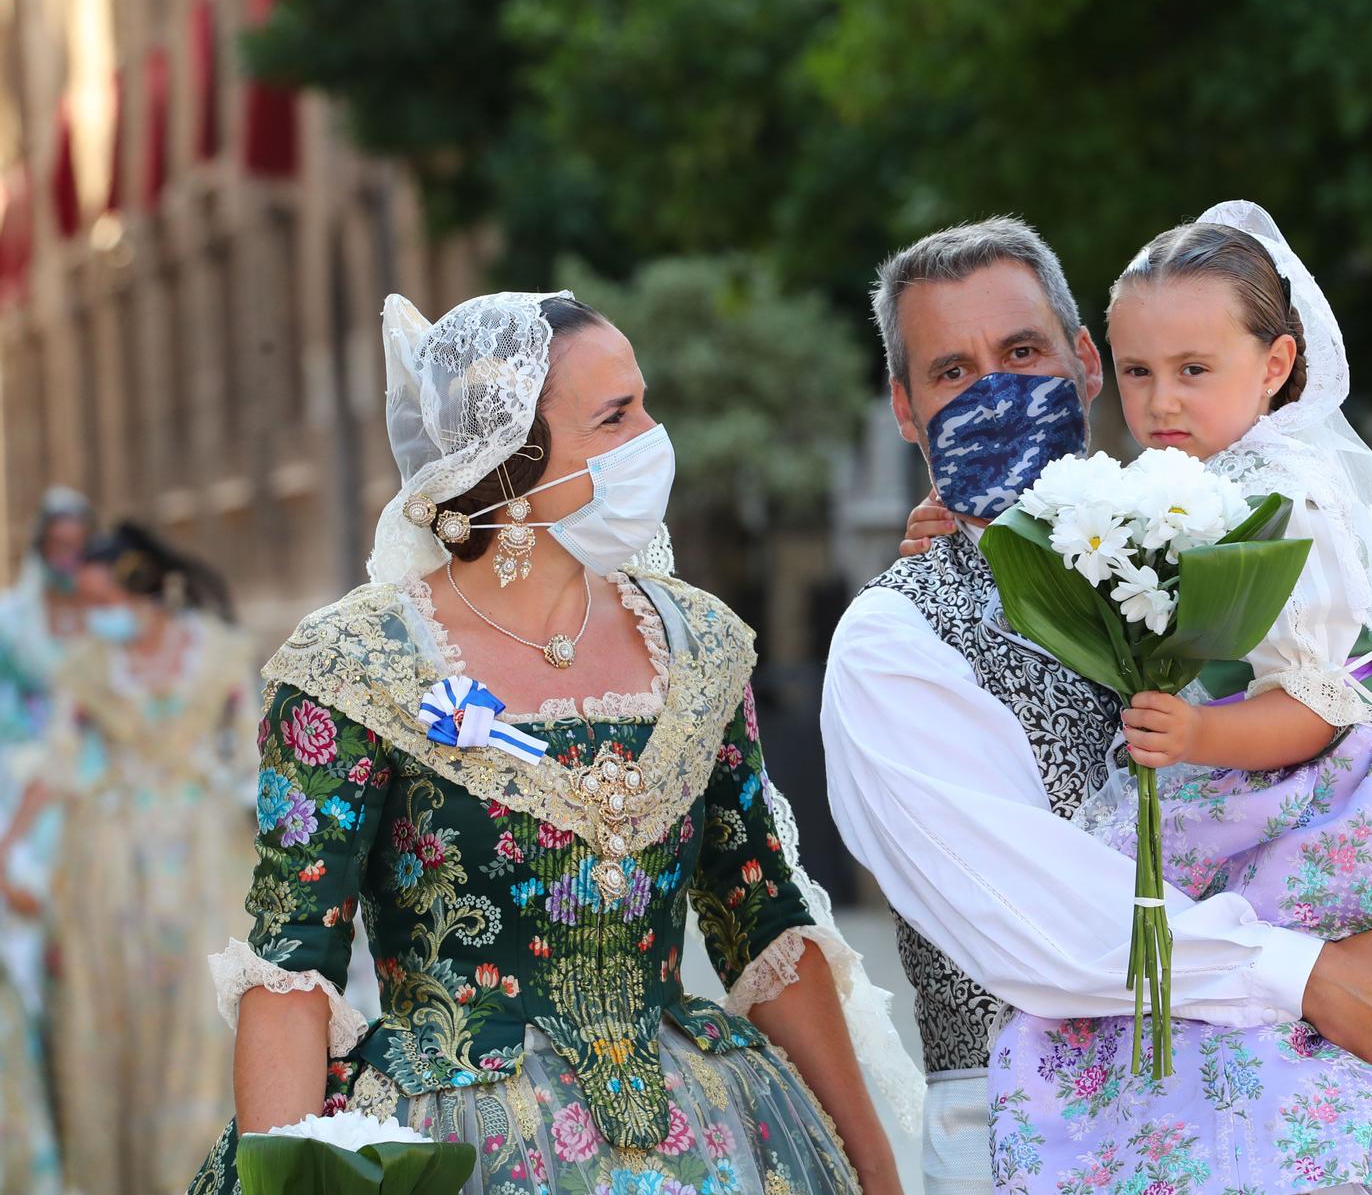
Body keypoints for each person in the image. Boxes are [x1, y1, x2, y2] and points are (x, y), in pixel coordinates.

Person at [823, 217, 1372, 1195]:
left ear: (1084, 365)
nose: (994, 392)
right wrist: (1308, 976)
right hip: (1021, 1128)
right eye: (951, 372)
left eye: (1022, 353)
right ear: (905, 407)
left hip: (1323, 1082)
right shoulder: (895, 642)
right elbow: (1030, 919)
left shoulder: (1202, 533)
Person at [961, 204, 1372, 1193]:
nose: (1160, 400)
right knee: (1140, 956)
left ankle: (1277, 1111)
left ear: (1275, 364)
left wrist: (1195, 728)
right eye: (1139, 371)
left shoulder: (1287, 492)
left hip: (1305, 772)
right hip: (1232, 764)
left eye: (1193, 370)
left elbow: (1322, 701)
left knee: (1237, 970)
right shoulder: (1171, 477)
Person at [189, 290, 918, 1195]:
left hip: (711, 1132)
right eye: (617, 417)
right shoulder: (358, 664)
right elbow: (292, 967)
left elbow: (762, 921)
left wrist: (874, 1168)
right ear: (512, 461)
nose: (653, 437)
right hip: (458, 1139)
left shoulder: (699, 644)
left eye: (644, 404)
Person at [0, 519, 256, 1193]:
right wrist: (7, 848)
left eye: (101, 601)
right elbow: (55, 764)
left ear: (144, 590)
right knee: (115, 1024)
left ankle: (197, 1175)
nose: (92, 616)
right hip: (108, 866)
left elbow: (254, 759)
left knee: (202, 1022)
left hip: (206, 859)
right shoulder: (84, 669)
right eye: (84, 603)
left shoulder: (224, 656)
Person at [0, 487, 90, 1194]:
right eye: (56, 542)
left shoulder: (104, 619)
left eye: (77, 542)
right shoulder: (12, 622)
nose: (67, 555)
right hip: (24, 791)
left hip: (93, 797)